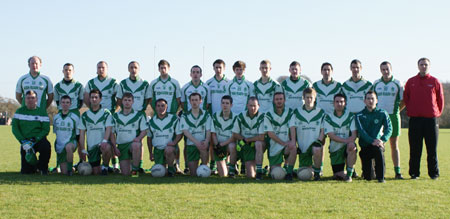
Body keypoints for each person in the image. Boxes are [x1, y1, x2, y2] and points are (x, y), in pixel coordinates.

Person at [403, 57, 444, 180]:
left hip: (430, 120)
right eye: (421, 64)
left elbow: (440, 100)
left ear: (429, 66)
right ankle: (414, 173)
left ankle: (433, 173)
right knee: (415, 149)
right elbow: (406, 98)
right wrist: (412, 110)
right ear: (418, 66)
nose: (423, 66)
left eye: (426, 64)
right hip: (415, 120)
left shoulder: (435, 81)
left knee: (432, 149)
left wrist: (435, 113)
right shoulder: (411, 81)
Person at [372, 61, 405, 179]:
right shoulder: (376, 83)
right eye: (383, 69)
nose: (385, 72)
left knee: (394, 144)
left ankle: (398, 172)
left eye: (387, 69)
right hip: (378, 118)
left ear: (391, 69)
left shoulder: (398, 83)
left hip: (393, 117)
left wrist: (396, 111)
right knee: (377, 144)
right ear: (380, 70)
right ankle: (376, 171)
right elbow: (372, 99)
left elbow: (403, 101)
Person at [116, 61, 150, 173]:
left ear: (138, 69)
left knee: (138, 141)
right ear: (128, 69)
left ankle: (138, 166)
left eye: (135, 67)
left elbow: (148, 98)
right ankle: (119, 165)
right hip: (125, 113)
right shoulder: (123, 83)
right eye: (131, 67)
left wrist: (143, 108)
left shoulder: (144, 83)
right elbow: (119, 99)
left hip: (139, 114)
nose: (133, 69)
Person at [52, 63, 84, 173]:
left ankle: (82, 162)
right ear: (63, 71)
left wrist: (73, 110)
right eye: (66, 70)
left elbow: (81, 101)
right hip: (62, 113)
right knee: (60, 138)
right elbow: (57, 101)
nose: (68, 72)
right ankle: (58, 165)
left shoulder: (79, 85)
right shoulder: (57, 86)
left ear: (73, 71)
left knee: (79, 139)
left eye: (70, 70)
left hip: (74, 112)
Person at [355, 91, 392, 183]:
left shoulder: (382, 113)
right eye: (368, 98)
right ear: (364, 101)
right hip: (365, 146)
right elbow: (361, 132)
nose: (370, 101)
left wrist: (382, 140)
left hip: (377, 144)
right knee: (368, 177)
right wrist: (371, 141)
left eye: (372, 99)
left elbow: (389, 129)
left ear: (377, 101)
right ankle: (368, 172)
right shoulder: (359, 115)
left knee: (378, 150)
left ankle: (381, 178)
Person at [12, 90, 51, 175]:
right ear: (25, 100)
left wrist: (35, 139)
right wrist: (23, 141)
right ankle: (34, 166)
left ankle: (43, 168)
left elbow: (46, 129)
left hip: (38, 140)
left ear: (36, 99)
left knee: (46, 146)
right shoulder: (19, 112)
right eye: (28, 98)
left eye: (32, 98)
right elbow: (15, 128)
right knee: (26, 172)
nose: (30, 100)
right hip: (25, 141)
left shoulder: (42, 112)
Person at [291, 88, 325, 180]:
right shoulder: (297, 112)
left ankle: (317, 173)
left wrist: (319, 141)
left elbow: (323, 130)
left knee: (317, 149)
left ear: (315, 98)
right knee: (303, 175)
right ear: (303, 98)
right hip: (303, 147)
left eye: (311, 97)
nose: (309, 100)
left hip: (315, 144)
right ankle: (295, 171)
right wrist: (294, 142)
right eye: (307, 97)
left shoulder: (320, 112)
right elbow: (292, 128)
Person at [111, 93, 148, 177]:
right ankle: (130, 166)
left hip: (132, 144)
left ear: (133, 102)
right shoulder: (115, 116)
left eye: (129, 100)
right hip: (121, 146)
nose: (127, 102)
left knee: (136, 145)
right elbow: (112, 133)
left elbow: (144, 130)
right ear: (121, 102)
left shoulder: (139, 115)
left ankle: (135, 171)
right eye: (125, 100)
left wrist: (139, 138)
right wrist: (115, 147)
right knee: (125, 174)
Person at [78, 89, 114, 175]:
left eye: (96, 97)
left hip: (102, 144)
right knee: (96, 172)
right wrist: (83, 149)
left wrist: (105, 141)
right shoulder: (85, 115)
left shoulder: (106, 113)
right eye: (92, 97)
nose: (94, 99)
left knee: (107, 147)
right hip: (92, 147)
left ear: (100, 99)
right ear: (89, 99)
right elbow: (82, 134)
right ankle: (100, 167)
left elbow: (109, 129)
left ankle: (105, 166)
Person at [323, 93, 357, 182]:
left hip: (347, 145)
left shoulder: (350, 116)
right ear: (333, 103)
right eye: (337, 102)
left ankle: (349, 175)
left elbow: (354, 134)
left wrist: (349, 141)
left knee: (352, 147)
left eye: (342, 102)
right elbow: (331, 135)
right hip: (335, 148)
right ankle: (347, 172)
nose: (339, 104)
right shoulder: (328, 117)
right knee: (338, 175)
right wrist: (346, 140)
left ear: (345, 103)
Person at [264, 92, 297, 180]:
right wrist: (283, 143)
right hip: (275, 146)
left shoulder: (290, 112)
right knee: (276, 174)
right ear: (274, 101)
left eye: (281, 99)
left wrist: (293, 141)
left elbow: (292, 127)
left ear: (284, 100)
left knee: (293, 147)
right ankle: (267, 170)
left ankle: (289, 172)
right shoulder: (268, 114)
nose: (279, 101)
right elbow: (270, 134)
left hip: (286, 145)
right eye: (277, 99)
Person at [147, 98, 183, 177]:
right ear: (155, 108)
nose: (160, 108)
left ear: (166, 107)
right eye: (158, 106)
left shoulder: (173, 119)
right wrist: (150, 153)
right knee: (161, 172)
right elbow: (149, 138)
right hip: (158, 150)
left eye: (163, 106)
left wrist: (174, 143)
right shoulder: (151, 121)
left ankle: (171, 169)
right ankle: (169, 168)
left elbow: (179, 134)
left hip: (169, 148)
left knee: (169, 150)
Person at [232, 97, 265, 179]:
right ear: (247, 105)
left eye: (254, 106)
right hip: (246, 145)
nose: (252, 108)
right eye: (250, 105)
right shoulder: (241, 116)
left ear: (259, 106)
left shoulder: (263, 117)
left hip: (256, 144)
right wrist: (244, 139)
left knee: (258, 143)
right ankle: (233, 168)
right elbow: (235, 133)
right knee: (250, 176)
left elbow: (261, 137)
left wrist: (247, 139)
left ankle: (260, 171)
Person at [179, 93, 211, 176]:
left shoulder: (206, 114)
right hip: (191, 145)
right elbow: (185, 131)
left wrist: (207, 141)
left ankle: (204, 166)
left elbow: (208, 130)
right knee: (193, 174)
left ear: (200, 101)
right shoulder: (185, 115)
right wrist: (196, 142)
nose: (194, 102)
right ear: (189, 101)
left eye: (196, 100)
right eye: (192, 100)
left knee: (203, 148)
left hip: (202, 145)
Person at [52, 95, 80, 176]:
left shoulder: (75, 117)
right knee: (63, 172)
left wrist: (79, 146)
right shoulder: (56, 118)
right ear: (60, 104)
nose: (65, 104)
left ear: (70, 104)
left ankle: (70, 171)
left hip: (71, 142)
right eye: (63, 102)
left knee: (68, 147)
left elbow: (78, 134)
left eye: (67, 102)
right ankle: (73, 168)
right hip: (60, 145)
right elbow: (56, 133)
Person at [211, 95, 236, 177]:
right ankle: (224, 165)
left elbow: (234, 136)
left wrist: (222, 144)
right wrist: (217, 146)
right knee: (223, 175)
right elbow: (213, 134)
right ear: (221, 104)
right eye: (223, 103)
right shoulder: (215, 116)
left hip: (228, 144)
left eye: (227, 103)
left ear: (231, 105)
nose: (225, 105)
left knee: (232, 146)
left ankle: (232, 168)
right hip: (218, 146)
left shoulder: (236, 117)